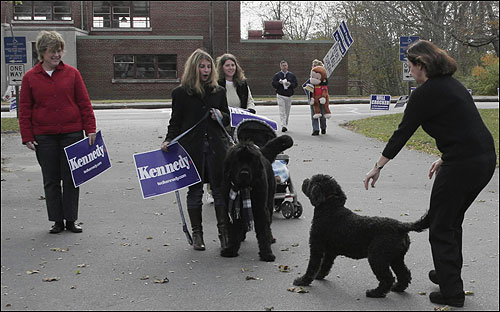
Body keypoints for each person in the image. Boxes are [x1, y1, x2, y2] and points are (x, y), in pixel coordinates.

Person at [363, 40, 496, 308]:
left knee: (440, 225)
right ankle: (447, 274)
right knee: (451, 219)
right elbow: (462, 127)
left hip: (462, 165)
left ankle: (452, 292)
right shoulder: (452, 85)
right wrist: (444, 156)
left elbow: (402, 132)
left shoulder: (425, 93)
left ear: (422, 65)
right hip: (482, 160)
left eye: (411, 65)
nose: (410, 70)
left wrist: (377, 167)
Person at [19, 30, 97, 234]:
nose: (57, 55)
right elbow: (25, 108)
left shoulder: (73, 74)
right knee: (51, 179)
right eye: (53, 51)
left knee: (71, 178)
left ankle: (71, 219)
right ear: (42, 52)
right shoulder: (30, 78)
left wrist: (90, 129)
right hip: (44, 137)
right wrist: (27, 136)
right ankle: (57, 221)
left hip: (71, 133)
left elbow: (84, 103)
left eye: (60, 50)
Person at [161, 48, 231, 252]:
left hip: (217, 148)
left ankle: (224, 234)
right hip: (192, 149)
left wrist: (221, 115)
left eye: (209, 66)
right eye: (202, 66)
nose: (206, 70)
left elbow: (227, 118)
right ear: (194, 67)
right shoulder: (180, 93)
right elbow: (175, 122)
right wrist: (168, 140)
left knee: (219, 191)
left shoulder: (219, 91)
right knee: (195, 191)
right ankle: (197, 234)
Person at [303, 59, 328, 136]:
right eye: (312, 66)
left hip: (321, 99)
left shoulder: (323, 78)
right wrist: (309, 92)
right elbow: (304, 86)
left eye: (315, 66)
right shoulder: (311, 78)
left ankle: (323, 127)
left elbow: (325, 88)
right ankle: (316, 129)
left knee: (323, 114)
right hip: (313, 99)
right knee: (314, 114)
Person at [272, 60, 298, 132]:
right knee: (282, 110)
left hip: (289, 95)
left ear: (287, 66)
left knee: (287, 111)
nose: (284, 67)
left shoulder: (291, 75)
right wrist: (279, 83)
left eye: (285, 65)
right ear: (280, 66)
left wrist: (290, 84)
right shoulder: (277, 75)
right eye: (283, 66)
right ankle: (283, 125)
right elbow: (274, 84)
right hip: (280, 95)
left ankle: (285, 123)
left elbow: (295, 84)